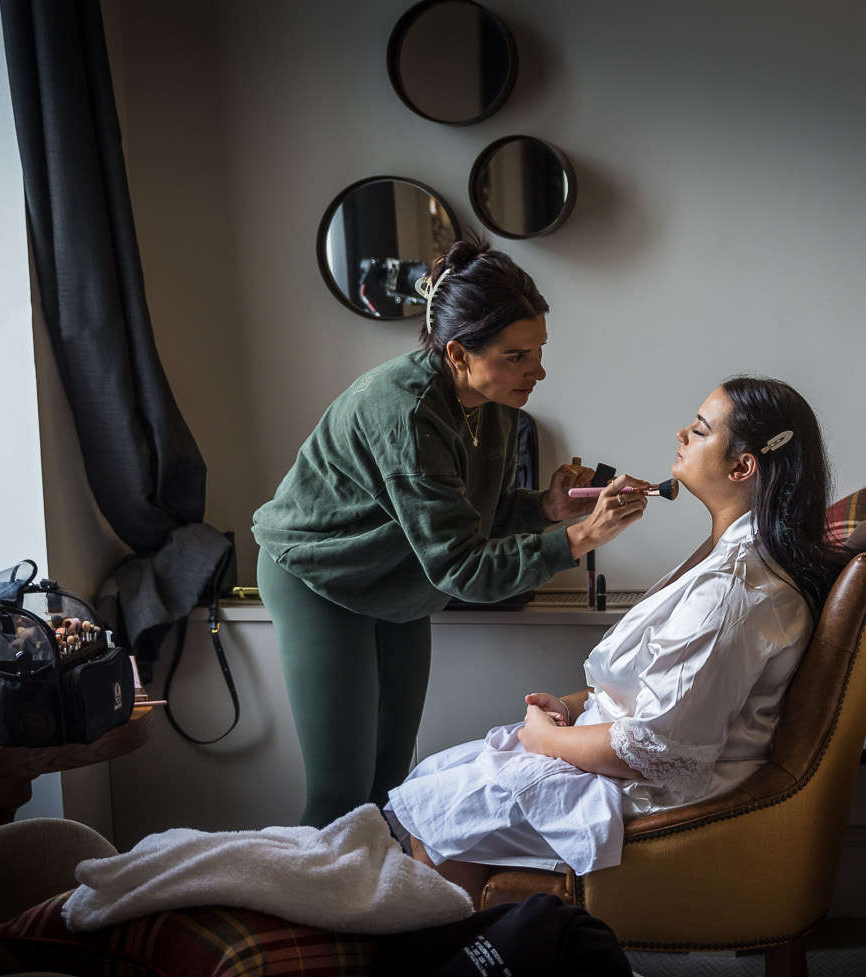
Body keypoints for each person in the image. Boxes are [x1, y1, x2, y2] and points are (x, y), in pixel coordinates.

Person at [386, 376, 842, 903]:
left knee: (438, 807)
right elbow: (652, 684)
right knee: (436, 776)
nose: (681, 433)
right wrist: (572, 704)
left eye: (698, 429)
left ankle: (474, 965)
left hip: (654, 792)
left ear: (742, 467)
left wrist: (546, 740)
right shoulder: (722, 561)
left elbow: (656, 746)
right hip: (616, 754)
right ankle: (485, 953)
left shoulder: (732, 593)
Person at [252, 236, 648, 827]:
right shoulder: (406, 412)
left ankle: (377, 911)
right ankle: (313, 916)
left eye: (539, 350)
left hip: (398, 582)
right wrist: (579, 539)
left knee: (390, 786)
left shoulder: (495, 403)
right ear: (458, 353)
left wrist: (546, 506)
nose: (537, 370)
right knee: (340, 793)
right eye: (516, 356)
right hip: (320, 577)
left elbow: (464, 513)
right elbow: (462, 566)